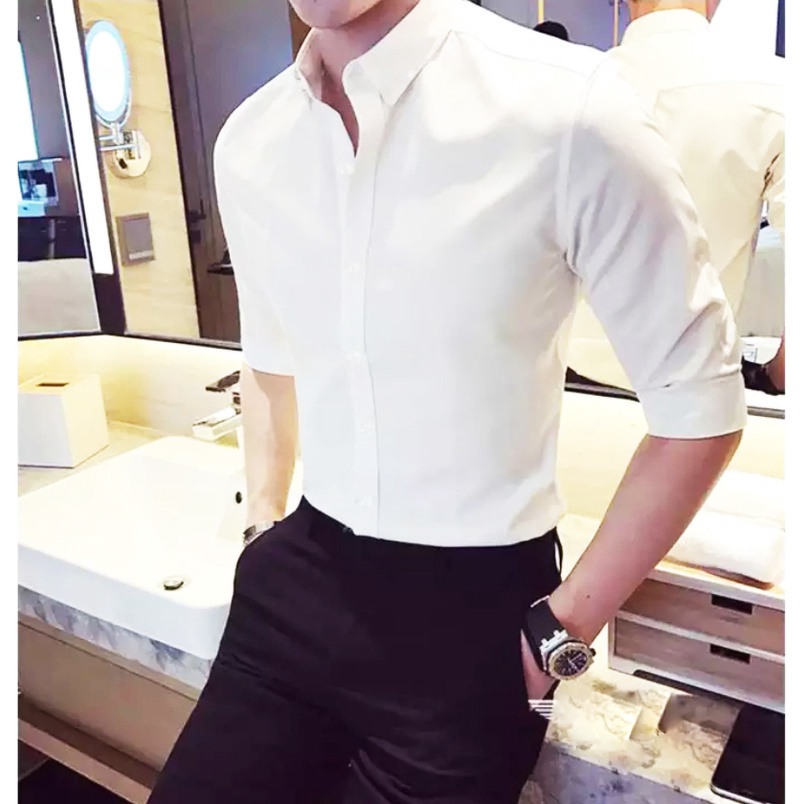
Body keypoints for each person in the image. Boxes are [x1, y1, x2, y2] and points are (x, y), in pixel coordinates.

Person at [149, 1, 745, 802]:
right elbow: (270, 357)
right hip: (295, 586)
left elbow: (699, 409)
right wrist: (261, 523)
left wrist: (558, 636)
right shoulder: (252, 141)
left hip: (477, 619)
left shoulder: (568, 107)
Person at [613, 0, 786, 393]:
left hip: (557, 392)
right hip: (697, 399)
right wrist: (777, 374)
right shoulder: (778, 88)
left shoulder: (559, 88)